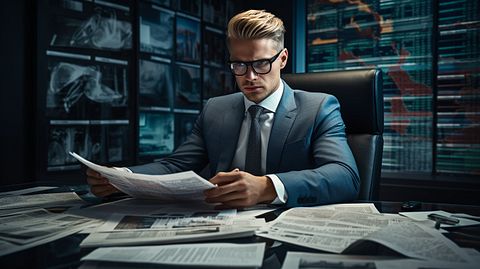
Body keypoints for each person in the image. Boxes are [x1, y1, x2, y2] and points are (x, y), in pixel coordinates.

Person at [87, 10, 360, 209]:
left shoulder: (319, 107)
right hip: (219, 223)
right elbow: (175, 166)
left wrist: (266, 186)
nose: (249, 76)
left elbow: (344, 176)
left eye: (261, 63)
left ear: (283, 59)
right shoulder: (215, 109)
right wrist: (124, 178)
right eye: (239, 65)